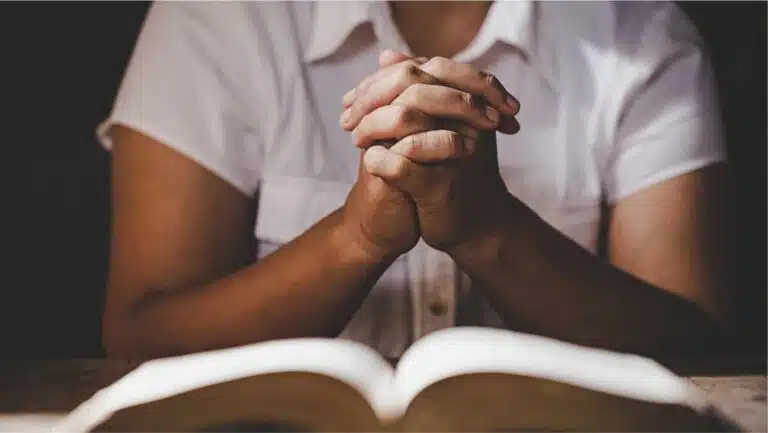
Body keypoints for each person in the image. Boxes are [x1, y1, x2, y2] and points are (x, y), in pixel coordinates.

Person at [100, 1, 730, 360]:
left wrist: (489, 230)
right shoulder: (219, 18)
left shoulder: (640, 35)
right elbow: (140, 335)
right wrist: (357, 237)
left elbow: (695, 349)